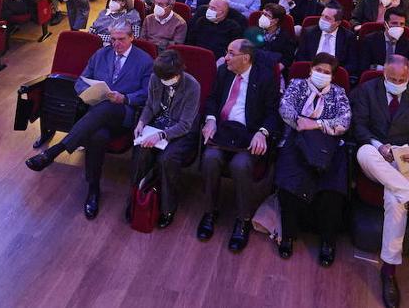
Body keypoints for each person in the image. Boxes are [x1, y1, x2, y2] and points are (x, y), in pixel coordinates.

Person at [25, 23, 153, 219]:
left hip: (124, 114)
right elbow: (80, 81)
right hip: (96, 115)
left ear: (131, 38)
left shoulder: (144, 60)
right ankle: (93, 189)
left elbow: (148, 94)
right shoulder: (101, 55)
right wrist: (90, 92)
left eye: (121, 39)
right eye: (113, 39)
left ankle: (55, 151)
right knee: (97, 136)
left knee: (110, 106)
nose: (116, 44)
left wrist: (125, 98)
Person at [353, 55, 409, 306]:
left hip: (404, 163)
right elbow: (358, 126)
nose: (397, 83)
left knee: (396, 201)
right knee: (366, 151)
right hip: (375, 156)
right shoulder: (367, 90)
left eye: (402, 79)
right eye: (392, 79)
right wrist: (379, 146)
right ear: (383, 74)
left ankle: (388, 271)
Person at [199, 39, 280, 251]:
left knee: (240, 165)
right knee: (209, 159)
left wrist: (263, 133)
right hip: (223, 131)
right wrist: (210, 120)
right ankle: (210, 211)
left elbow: (273, 113)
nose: (225, 57)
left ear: (245, 57)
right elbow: (212, 99)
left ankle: (243, 219)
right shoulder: (224, 72)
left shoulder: (265, 77)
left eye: (230, 53)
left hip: (249, 134)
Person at [274, 53, 352, 266]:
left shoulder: (338, 93)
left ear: (333, 76)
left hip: (328, 145)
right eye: (319, 70)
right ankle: (288, 235)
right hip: (296, 140)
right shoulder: (297, 85)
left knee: (331, 191)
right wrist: (301, 123)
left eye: (327, 72)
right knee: (290, 183)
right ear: (311, 69)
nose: (322, 74)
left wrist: (316, 125)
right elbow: (285, 108)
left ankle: (328, 241)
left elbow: (344, 121)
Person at [129, 50, 200, 228]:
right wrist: (141, 123)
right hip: (157, 124)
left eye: (166, 77)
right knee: (140, 152)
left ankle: (168, 208)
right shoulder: (156, 78)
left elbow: (185, 124)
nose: (162, 81)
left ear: (178, 73)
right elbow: (150, 106)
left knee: (167, 160)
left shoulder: (192, 86)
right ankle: (135, 200)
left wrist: (161, 135)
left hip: (181, 130)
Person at [355, 8, 409, 73]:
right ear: (385, 24)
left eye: (402, 24)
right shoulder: (370, 40)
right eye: (394, 23)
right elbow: (364, 67)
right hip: (375, 78)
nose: (398, 27)